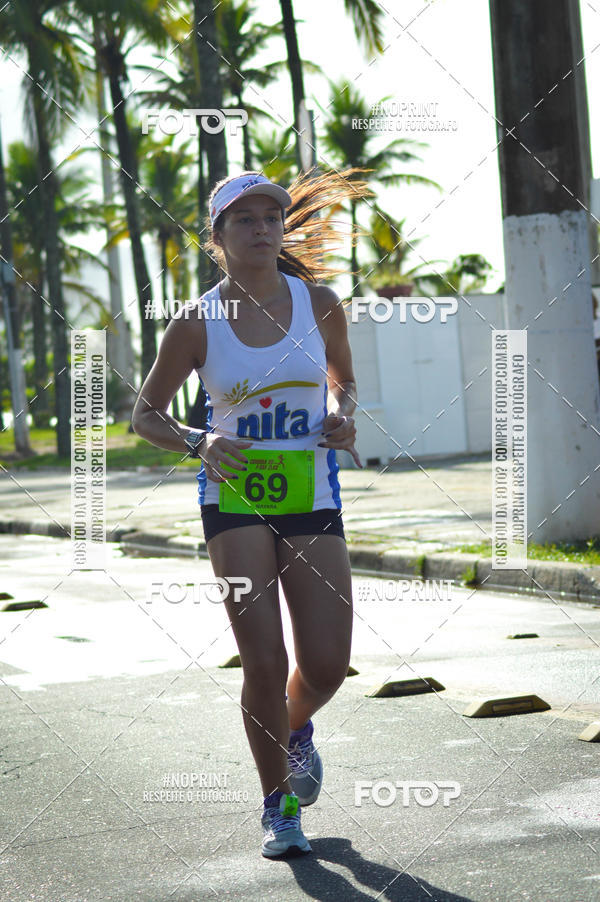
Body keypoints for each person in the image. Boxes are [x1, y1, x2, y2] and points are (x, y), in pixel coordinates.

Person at [132, 167, 372, 859]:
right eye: (246, 219)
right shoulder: (197, 321)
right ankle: (280, 806)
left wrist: (343, 418)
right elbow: (144, 416)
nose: (263, 228)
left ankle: (294, 731)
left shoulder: (319, 303)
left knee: (326, 666)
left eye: (272, 217)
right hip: (233, 501)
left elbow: (346, 383)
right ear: (219, 238)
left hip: (312, 495)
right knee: (263, 661)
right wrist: (200, 439)